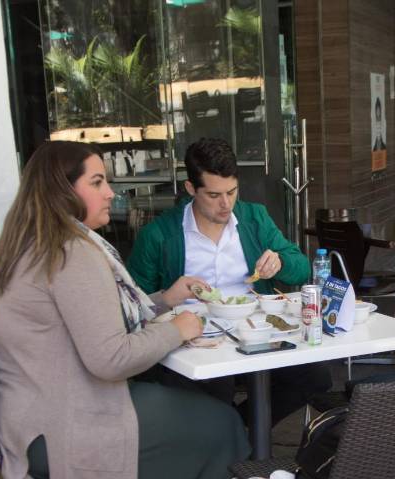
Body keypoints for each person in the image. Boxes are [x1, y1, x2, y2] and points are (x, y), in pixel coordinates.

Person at [0, 141, 250, 479]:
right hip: (60, 428)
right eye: (97, 182)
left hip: (29, 416)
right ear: (61, 191)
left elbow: (96, 322)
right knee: (221, 425)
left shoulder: (39, 241)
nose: (111, 193)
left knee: (190, 406)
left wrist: (166, 299)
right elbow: (110, 359)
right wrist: (179, 329)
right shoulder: (72, 253)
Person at [126, 137, 331, 425]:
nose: (225, 205)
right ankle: (233, 437)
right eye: (213, 195)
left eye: (232, 192)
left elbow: (299, 270)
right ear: (190, 189)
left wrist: (280, 263)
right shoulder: (158, 235)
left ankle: (241, 432)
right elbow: (132, 306)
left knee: (315, 376)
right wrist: (168, 296)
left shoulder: (254, 218)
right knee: (215, 386)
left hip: (256, 332)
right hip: (195, 341)